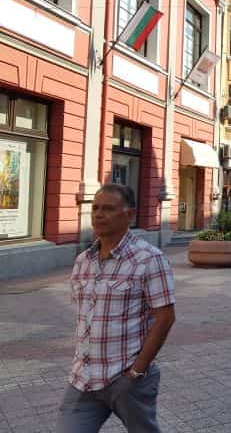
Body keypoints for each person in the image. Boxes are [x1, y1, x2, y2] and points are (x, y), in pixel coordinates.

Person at [56, 184, 175, 433]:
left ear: (129, 215)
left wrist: (136, 373)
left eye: (108, 209)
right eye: (95, 208)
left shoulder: (148, 259)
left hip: (126, 378)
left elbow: (165, 318)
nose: (98, 214)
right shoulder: (83, 261)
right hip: (83, 378)